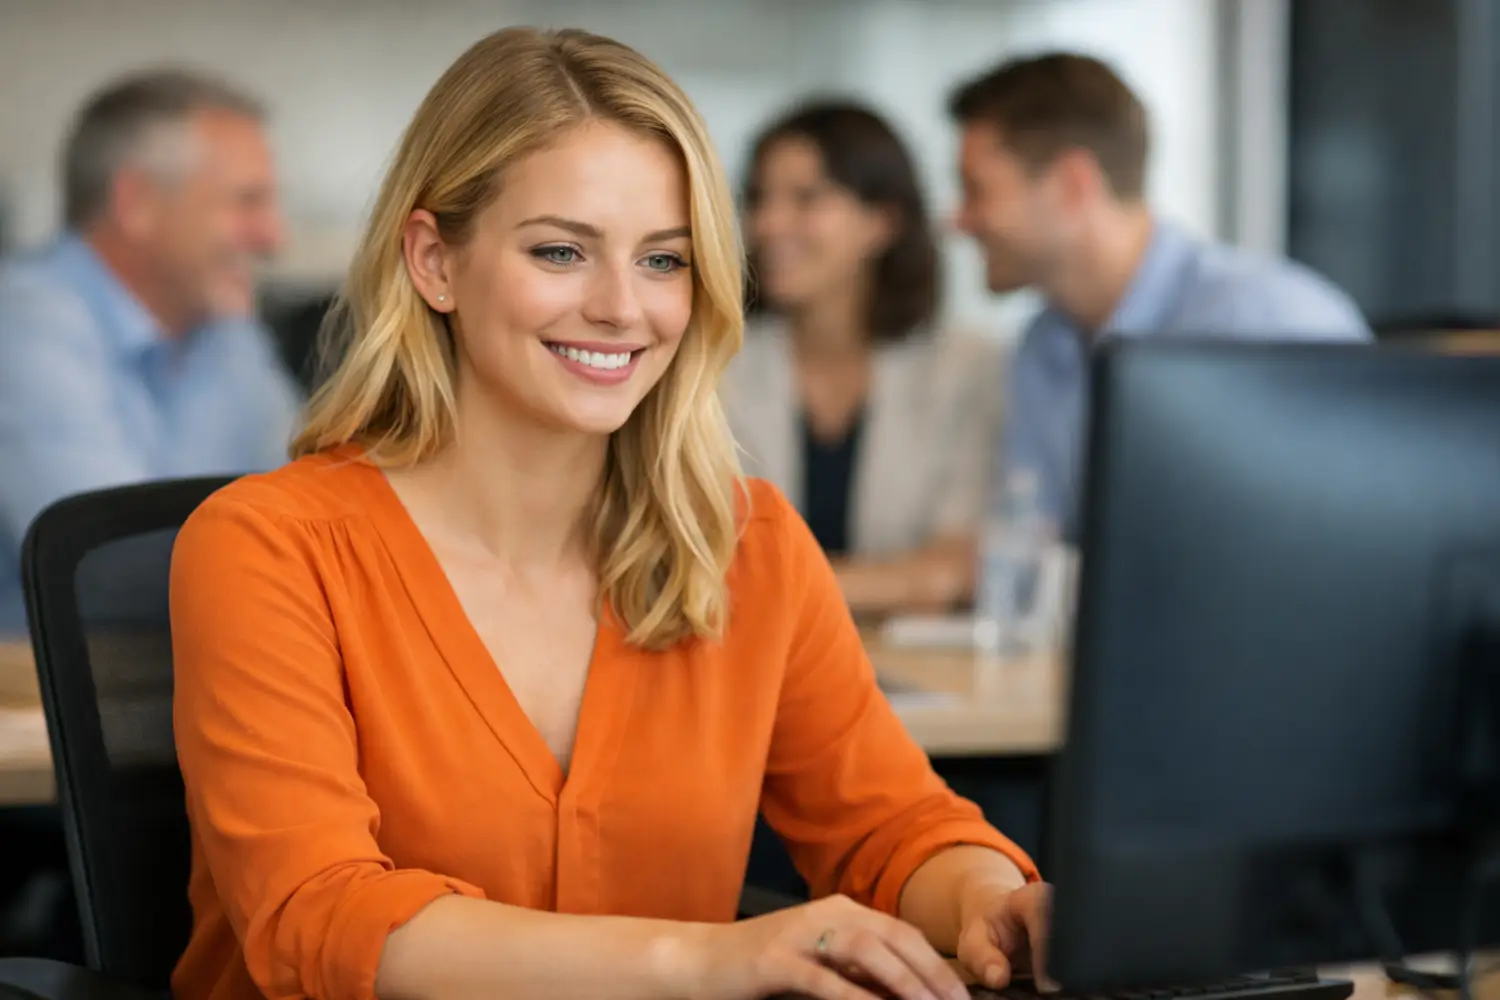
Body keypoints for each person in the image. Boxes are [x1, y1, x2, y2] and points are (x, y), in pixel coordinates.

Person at [168, 27, 1048, 1000]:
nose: (623, 307)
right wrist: (709, 958)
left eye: (665, 261)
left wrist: (989, 898)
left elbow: (892, 827)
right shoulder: (268, 547)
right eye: (560, 250)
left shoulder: (746, 546)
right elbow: (318, 913)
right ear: (435, 261)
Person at [947, 52, 1371, 537]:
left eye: (976, 190)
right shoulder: (1043, 348)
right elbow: (1030, 553)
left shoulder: (1268, 322)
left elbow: (1344, 539)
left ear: (1071, 185)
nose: (958, 220)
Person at [0, 69, 301, 634]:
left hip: (181, 682)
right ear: (136, 202)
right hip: (36, 709)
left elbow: (319, 510)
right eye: (246, 202)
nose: (273, 238)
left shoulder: (225, 329)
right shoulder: (21, 325)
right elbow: (104, 570)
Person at [724, 100, 1002, 617]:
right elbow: (700, 562)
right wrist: (894, 581)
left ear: (882, 221)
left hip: (911, 675)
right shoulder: (717, 367)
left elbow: (952, 570)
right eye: (760, 198)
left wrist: (777, 586)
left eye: (806, 199)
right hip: (751, 668)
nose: (768, 223)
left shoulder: (968, 368)